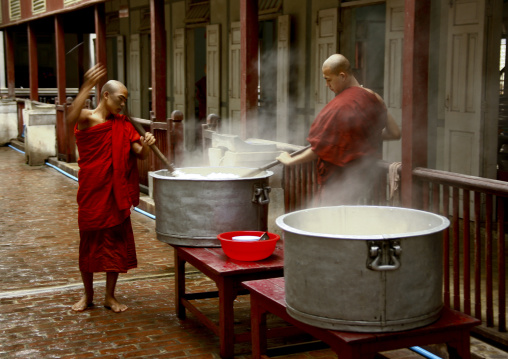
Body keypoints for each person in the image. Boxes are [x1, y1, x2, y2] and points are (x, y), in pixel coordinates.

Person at [66, 64, 156, 312]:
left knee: (115, 245)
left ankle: (110, 296)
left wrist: (147, 144)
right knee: (89, 244)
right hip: (92, 192)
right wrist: (86, 86)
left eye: (125, 101)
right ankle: (87, 296)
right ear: (106, 95)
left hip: (115, 195)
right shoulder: (88, 119)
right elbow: (70, 117)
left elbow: (139, 154)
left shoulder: (122, 123)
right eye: (120, 99)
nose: (122, 105)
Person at [276, 54, 401, 206]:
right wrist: (361, 139)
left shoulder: (340, 107)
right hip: (367, 179)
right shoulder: (374, 97)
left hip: (340, 182)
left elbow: (320, 148)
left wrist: (291, 161)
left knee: (332, 223)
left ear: (342, 76)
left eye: (328, 79)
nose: (327, 85)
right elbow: (395, 133)